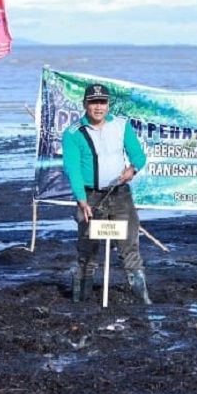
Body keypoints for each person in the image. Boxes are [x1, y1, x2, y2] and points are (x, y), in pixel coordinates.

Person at [61, 83, 151, 304]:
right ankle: (81, 299)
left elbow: (138, 156)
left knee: (129, 246)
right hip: (91, 198)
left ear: (108, 105)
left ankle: (142, 299)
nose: (98, 107)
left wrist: (132, 169)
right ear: (85, 104)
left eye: (102, 102)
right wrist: (81, 200)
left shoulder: (122, 126)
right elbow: (72, 169)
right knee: (87, 250)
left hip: (120, 195)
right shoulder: (73, 133)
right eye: (93, 102)